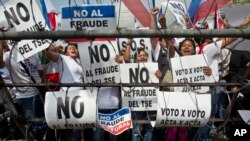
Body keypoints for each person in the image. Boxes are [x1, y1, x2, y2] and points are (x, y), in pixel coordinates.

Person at [0, 40, 47, 140]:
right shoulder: (9, 55)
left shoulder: (34, 54)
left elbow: (41, 74)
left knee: (43, 125)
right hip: (26, 97)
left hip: (39, 93)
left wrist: (46, 90)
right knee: (36, 127)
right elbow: (0, 64)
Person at [45, 43, 85, 141]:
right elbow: (48, 53)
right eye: (70, 48)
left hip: (81, 97)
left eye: (75, 47)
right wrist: (54, 47)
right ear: (65, 52)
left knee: (78, 126)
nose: (73, 49)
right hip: (67, 97)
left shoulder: (81, 61)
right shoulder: (62, 59)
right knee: (69, 126)